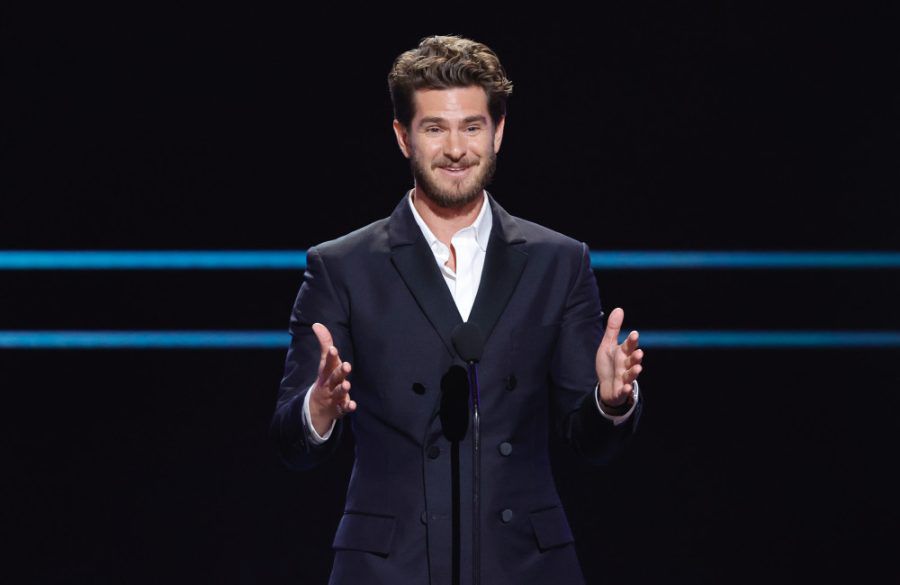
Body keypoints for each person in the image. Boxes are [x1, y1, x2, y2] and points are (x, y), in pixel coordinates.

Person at [271, 34, 644, 585]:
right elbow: (289, 439)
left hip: (524, 562)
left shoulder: (557, 262)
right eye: (434, 128)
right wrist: (319, 409)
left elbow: (586, 439)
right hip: (389, 567)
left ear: (498, 132)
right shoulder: (342, 266)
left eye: (471, 126)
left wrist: (609, 403)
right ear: (403, 137)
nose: (455, 149)